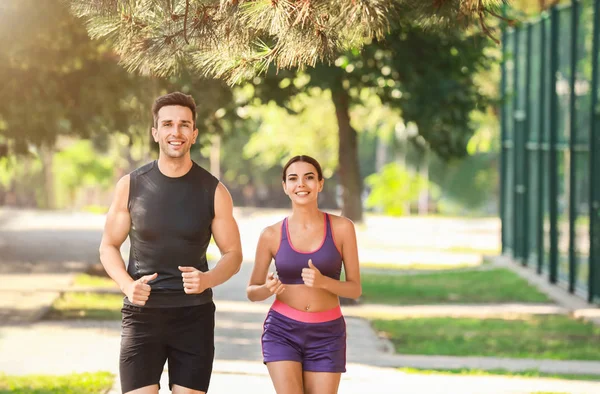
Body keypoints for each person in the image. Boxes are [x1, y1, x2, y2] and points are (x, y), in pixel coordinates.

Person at [99, 92, 243, 394]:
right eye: (167, 124)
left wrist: (207, 279)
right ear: (155, 132)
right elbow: (108, 245)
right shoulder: (131, 185)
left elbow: (233, 254)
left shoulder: (214, 191)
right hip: (142, 315)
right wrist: (127, 285)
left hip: (194, 316)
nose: (175, 132)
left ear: (194, 133)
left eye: (183, 125)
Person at [246, 155, 362, 394]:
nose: (301, 184)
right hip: (282, 331)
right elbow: (252, 292)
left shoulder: (342, 228)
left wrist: (324, 282)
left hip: (328, 334)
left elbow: (355, 289)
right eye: (293, 178)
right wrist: (268, 289)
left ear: (320, 184)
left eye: (309, 178)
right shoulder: (271, 234)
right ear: (285, 187)